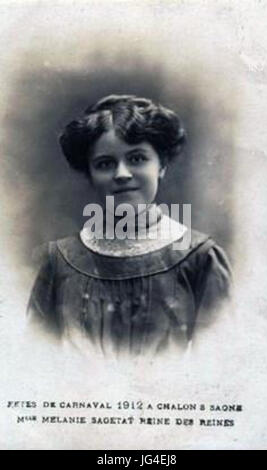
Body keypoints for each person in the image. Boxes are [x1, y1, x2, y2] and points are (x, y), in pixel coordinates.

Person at [27, 94, 232, 357]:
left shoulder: (200, 258)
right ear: (90, 174)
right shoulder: (58, 261)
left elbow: (221, 368)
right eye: (105, 164)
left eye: (136, 159)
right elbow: (33, 364)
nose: (122, 174)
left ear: (162, 166)